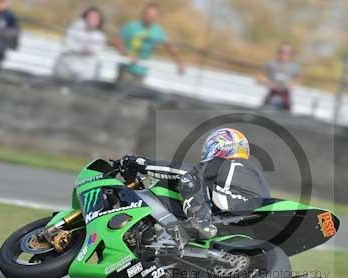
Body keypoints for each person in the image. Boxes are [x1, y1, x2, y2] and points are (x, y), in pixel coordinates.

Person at [118, 128, 270, 239]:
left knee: (189, 177)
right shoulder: (250, 171)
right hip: (254, 218)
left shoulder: (225, 162)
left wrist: (140, 163)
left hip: (237, 206)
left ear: (220, 146)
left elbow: (182, 170)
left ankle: (200, 222)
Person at [112, 2, 184, 87]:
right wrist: (127, 54)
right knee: (121, 95)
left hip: (142, 72)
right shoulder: (132, 26)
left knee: (135, 97)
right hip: (126, 70)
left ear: (157, 17)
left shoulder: (158, 30)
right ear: (143, 14)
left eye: (153, 15)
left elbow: (170, 46)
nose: (150, 17)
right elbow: (117, 41)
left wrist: (179, 62)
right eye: (148, 14)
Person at [53, 7, 106, 82]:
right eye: (91, 16)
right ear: (85, 17)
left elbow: (98, 51)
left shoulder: (100, 36)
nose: (93, 19)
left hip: (86, 69)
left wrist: (90, 51)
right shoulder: (74, 28)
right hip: (67, 64)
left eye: (96, 18)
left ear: (99, 21)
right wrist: (80, 50)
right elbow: (67, 44)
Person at [260, 43, 300, 111]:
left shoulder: (294, 67)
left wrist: (289, 85)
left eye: (287, 53)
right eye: (282, 52)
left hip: (285, 95)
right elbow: (260, 76)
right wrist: (269, 83)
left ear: (291, 54)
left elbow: (298, 81)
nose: (284, 54)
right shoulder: (271, 63)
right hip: (272, 93)